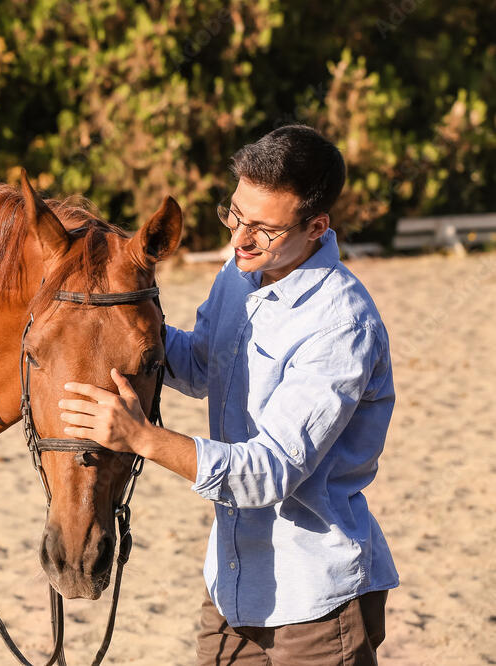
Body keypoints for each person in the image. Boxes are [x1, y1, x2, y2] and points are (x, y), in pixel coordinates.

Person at [59, 124, 398, 665]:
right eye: (235, 215)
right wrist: (115, 322)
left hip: (315, 603)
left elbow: (268, 472)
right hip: (233, 586)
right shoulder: (240, 274)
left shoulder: (341, 324)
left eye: (263, 229)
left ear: (317, 226)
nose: (239, 240)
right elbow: (200, 366)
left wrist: (141, 438)